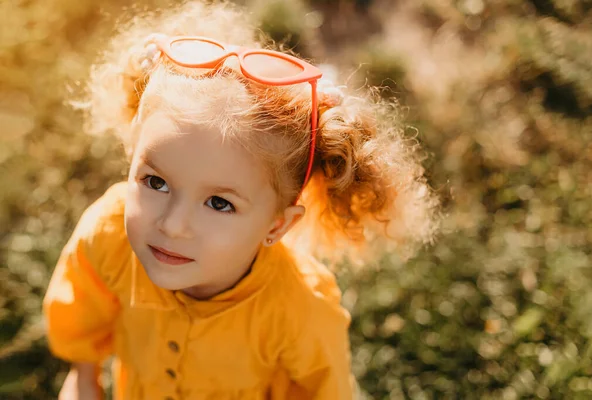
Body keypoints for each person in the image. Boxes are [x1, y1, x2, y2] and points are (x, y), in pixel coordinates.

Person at [43, 1, 439, 399]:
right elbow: (80, 306)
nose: (172, 224)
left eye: (219, 203)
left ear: (277, 225)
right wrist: (83, 376)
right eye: (156, 182)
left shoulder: (300, 312)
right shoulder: (108, 234)